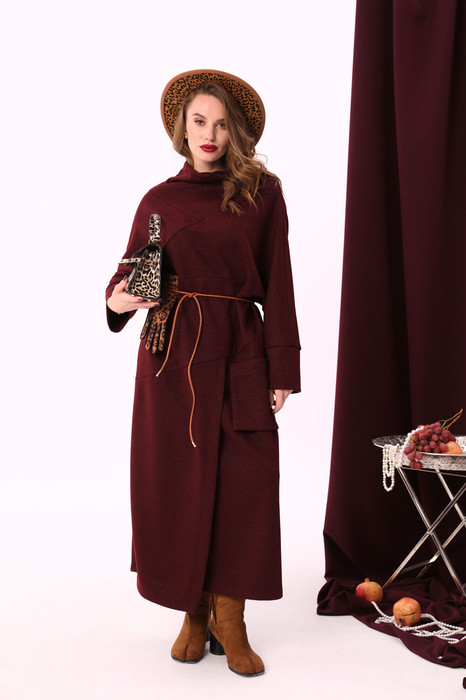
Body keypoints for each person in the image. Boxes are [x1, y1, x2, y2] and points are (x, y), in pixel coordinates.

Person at [106, 69, 301, 677]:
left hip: (241, 346)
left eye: (220, 124)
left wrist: (282, 367)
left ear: (235, 132)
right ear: (182, 128)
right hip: (170, 355)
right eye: (199, 121)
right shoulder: (158, 202)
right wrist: (121, 299)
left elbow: (280, 280)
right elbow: (126, 278)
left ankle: (230, 618)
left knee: (245, 483)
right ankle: (192, 611)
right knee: (176, 483)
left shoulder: (262, 195)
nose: (209, 133)